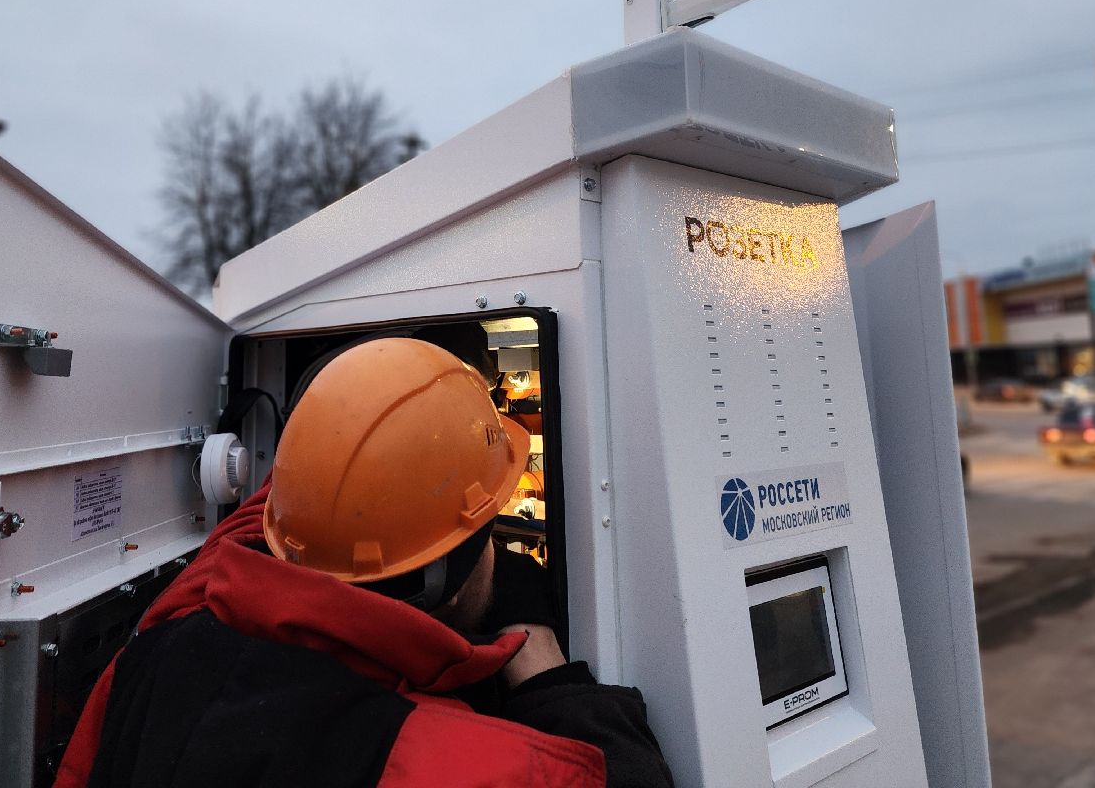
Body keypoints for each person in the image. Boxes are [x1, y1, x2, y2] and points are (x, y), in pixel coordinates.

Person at [56, 337, 674, 787]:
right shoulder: (455, 760)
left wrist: (366, 425)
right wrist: (541, 666)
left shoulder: (161, 643)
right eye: (489, 531)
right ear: (444, 584)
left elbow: (294, 503)